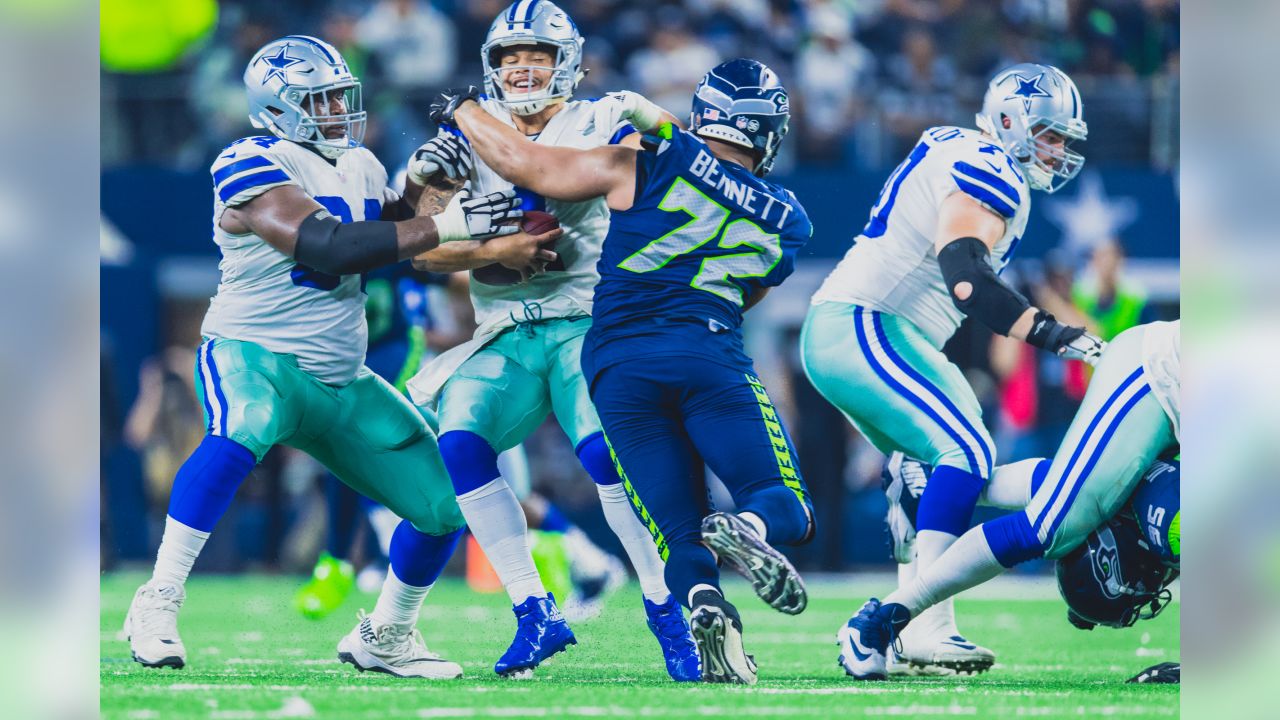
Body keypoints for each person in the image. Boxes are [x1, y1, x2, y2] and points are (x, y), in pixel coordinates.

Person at [122, 35, 558, 679]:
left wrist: (420, 186)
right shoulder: (247, 159)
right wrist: (453, 222)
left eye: (338, 95)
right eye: (318, 98)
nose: (335, 109)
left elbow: (394, 245)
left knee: (443, 502)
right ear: (275, 107)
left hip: (340, 375)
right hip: (256, 353)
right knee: (239, 428)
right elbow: (325, 245)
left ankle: (386, 633)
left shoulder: (359, 162)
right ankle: (157, 599)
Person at [429, 56, 816, 684]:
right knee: (786, 508)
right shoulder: (789, 216)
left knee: (676, 527)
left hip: (616, 363)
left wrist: (463, 109)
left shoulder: (648, 159)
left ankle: (707, 609)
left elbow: (526, 167)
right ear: (769, 133)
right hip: (705, 352)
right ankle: (744, 527)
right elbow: (748, 295)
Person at [404, 1, 698, 681]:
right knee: (461, 443)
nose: (522, 67)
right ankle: (534, 610)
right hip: (505, 327)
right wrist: (477, 239)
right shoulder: (463, 139)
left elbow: (570, 167)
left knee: (605, 455)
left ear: (567, 59)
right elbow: (421, 252)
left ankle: (667, 609)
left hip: (589, 317)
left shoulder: (605, 115)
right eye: (509, 56)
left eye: (535, 53)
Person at [800, 62, 1103, 675]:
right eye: (1049, 134)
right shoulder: (991, 167)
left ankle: (928, 628)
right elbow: (965, 276)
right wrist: (1056, 334)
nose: (1059, 150)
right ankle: (900, 620)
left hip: (880, 332)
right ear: (1011, 122)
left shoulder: (962, 149)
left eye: (1065, 139)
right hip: (868, 322)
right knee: (964, 453)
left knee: (932, 468)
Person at [838, 320, 1179, 680]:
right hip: (1161, 375)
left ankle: (934, 481)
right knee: (1052, 525)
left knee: (1077, 493)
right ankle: (880, 621)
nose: (1158, 582)